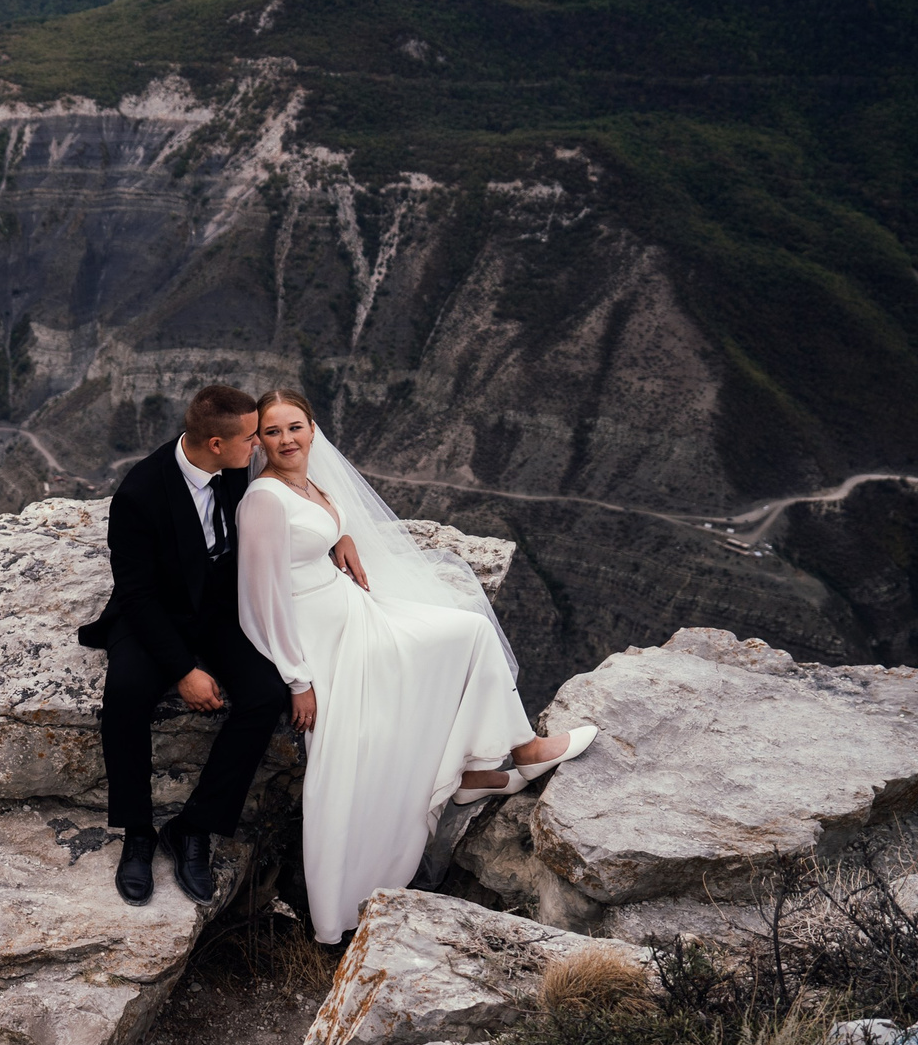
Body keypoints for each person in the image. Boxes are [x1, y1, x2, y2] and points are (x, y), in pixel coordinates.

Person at [235, 390, 595, 944]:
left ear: (313, 428)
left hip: (352, 611)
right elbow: (259, 599)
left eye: (295, 427)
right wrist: (298, 679)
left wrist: (342, 534)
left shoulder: (307, 484)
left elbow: (313, 529)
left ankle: (482, 767)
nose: (286, 439)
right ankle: (503, 760)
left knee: (469, 629)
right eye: (273, 431)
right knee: (381, 723)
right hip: (323, 637)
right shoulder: (263, 498)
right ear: (257, 439)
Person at [79, 385, 289, 907]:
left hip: (219, 611)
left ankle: (194, 826)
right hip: (157, 615)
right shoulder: (140, 494)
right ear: (216, 443)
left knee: (265, 694)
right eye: (251, 438)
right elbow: (137, 594)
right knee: (125, 696)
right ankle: (137, 833)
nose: (260, 445)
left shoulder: (239, 466)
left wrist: (342, 536)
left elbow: (300, 490)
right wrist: (183, 671)